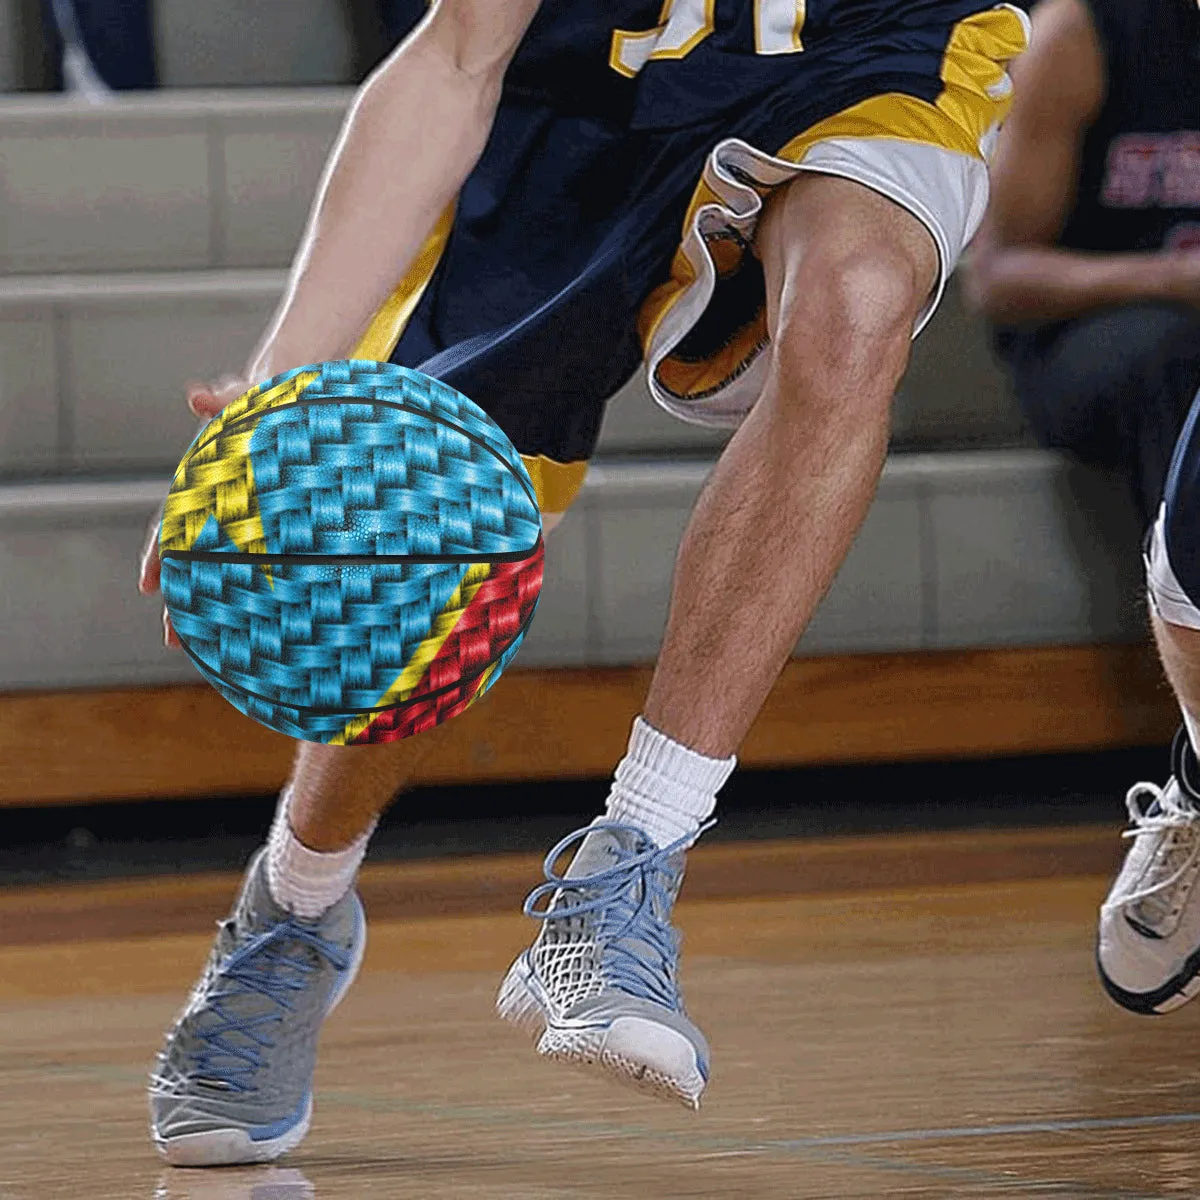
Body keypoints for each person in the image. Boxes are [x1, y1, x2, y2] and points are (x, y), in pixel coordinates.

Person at [138, 0, 1029, 1165]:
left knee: (857, 303)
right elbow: (459, 52)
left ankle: (628, 873)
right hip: (574, 105)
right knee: (409, 531)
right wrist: (277, 389)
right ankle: (294, 907)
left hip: (869, 57)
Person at [965, 0, 1200, 1019]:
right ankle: (1188, 779)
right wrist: (1173, 277)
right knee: (1175, 355)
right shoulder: (1085, 36)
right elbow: (998, 275)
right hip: (1091, 341)